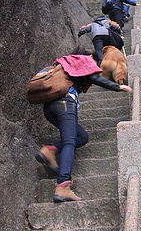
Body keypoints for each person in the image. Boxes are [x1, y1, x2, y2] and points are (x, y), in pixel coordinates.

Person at [35, 44, 133, 203]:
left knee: (82, 136)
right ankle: (63, 187)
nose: (96, 66)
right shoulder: (84, 60)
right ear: (90, 58)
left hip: (49, 107)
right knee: (69, 143)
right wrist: (118, 87)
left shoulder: (63, 63)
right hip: (65, 103)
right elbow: (95, 77)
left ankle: (50, 149)